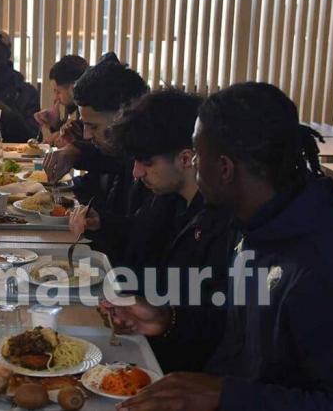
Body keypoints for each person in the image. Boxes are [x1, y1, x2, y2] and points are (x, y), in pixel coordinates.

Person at [103, 82, 333, 411]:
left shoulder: (328, 267)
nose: (194, 167)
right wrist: (168, 319)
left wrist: (224, 395)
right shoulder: (256, 229)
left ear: (225, 168)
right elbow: (236, 338)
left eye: (198, 156)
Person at [74, 89, 233, 373]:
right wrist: (102, 225)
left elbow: (216, 325)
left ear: (186, 158)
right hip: (141, 346)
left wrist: (166, 319)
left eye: (146, 163)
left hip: (176, 371)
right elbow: (134, 253)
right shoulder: (164, 201)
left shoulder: (222, 224)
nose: (136, 173)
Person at [46, 53, 150, 258]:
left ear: (124, 115)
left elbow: (145, 240)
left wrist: (104, 223)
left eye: (92, 126)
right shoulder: (120, 152)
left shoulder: (153, 164)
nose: (86, 135)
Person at [33, 55, 88, 147]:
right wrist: (55, 124)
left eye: (58, 91)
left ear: (73, 88)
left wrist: (58, 134)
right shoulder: (74, 108)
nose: (56, 98)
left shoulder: (91, 110)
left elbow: (83, 147)